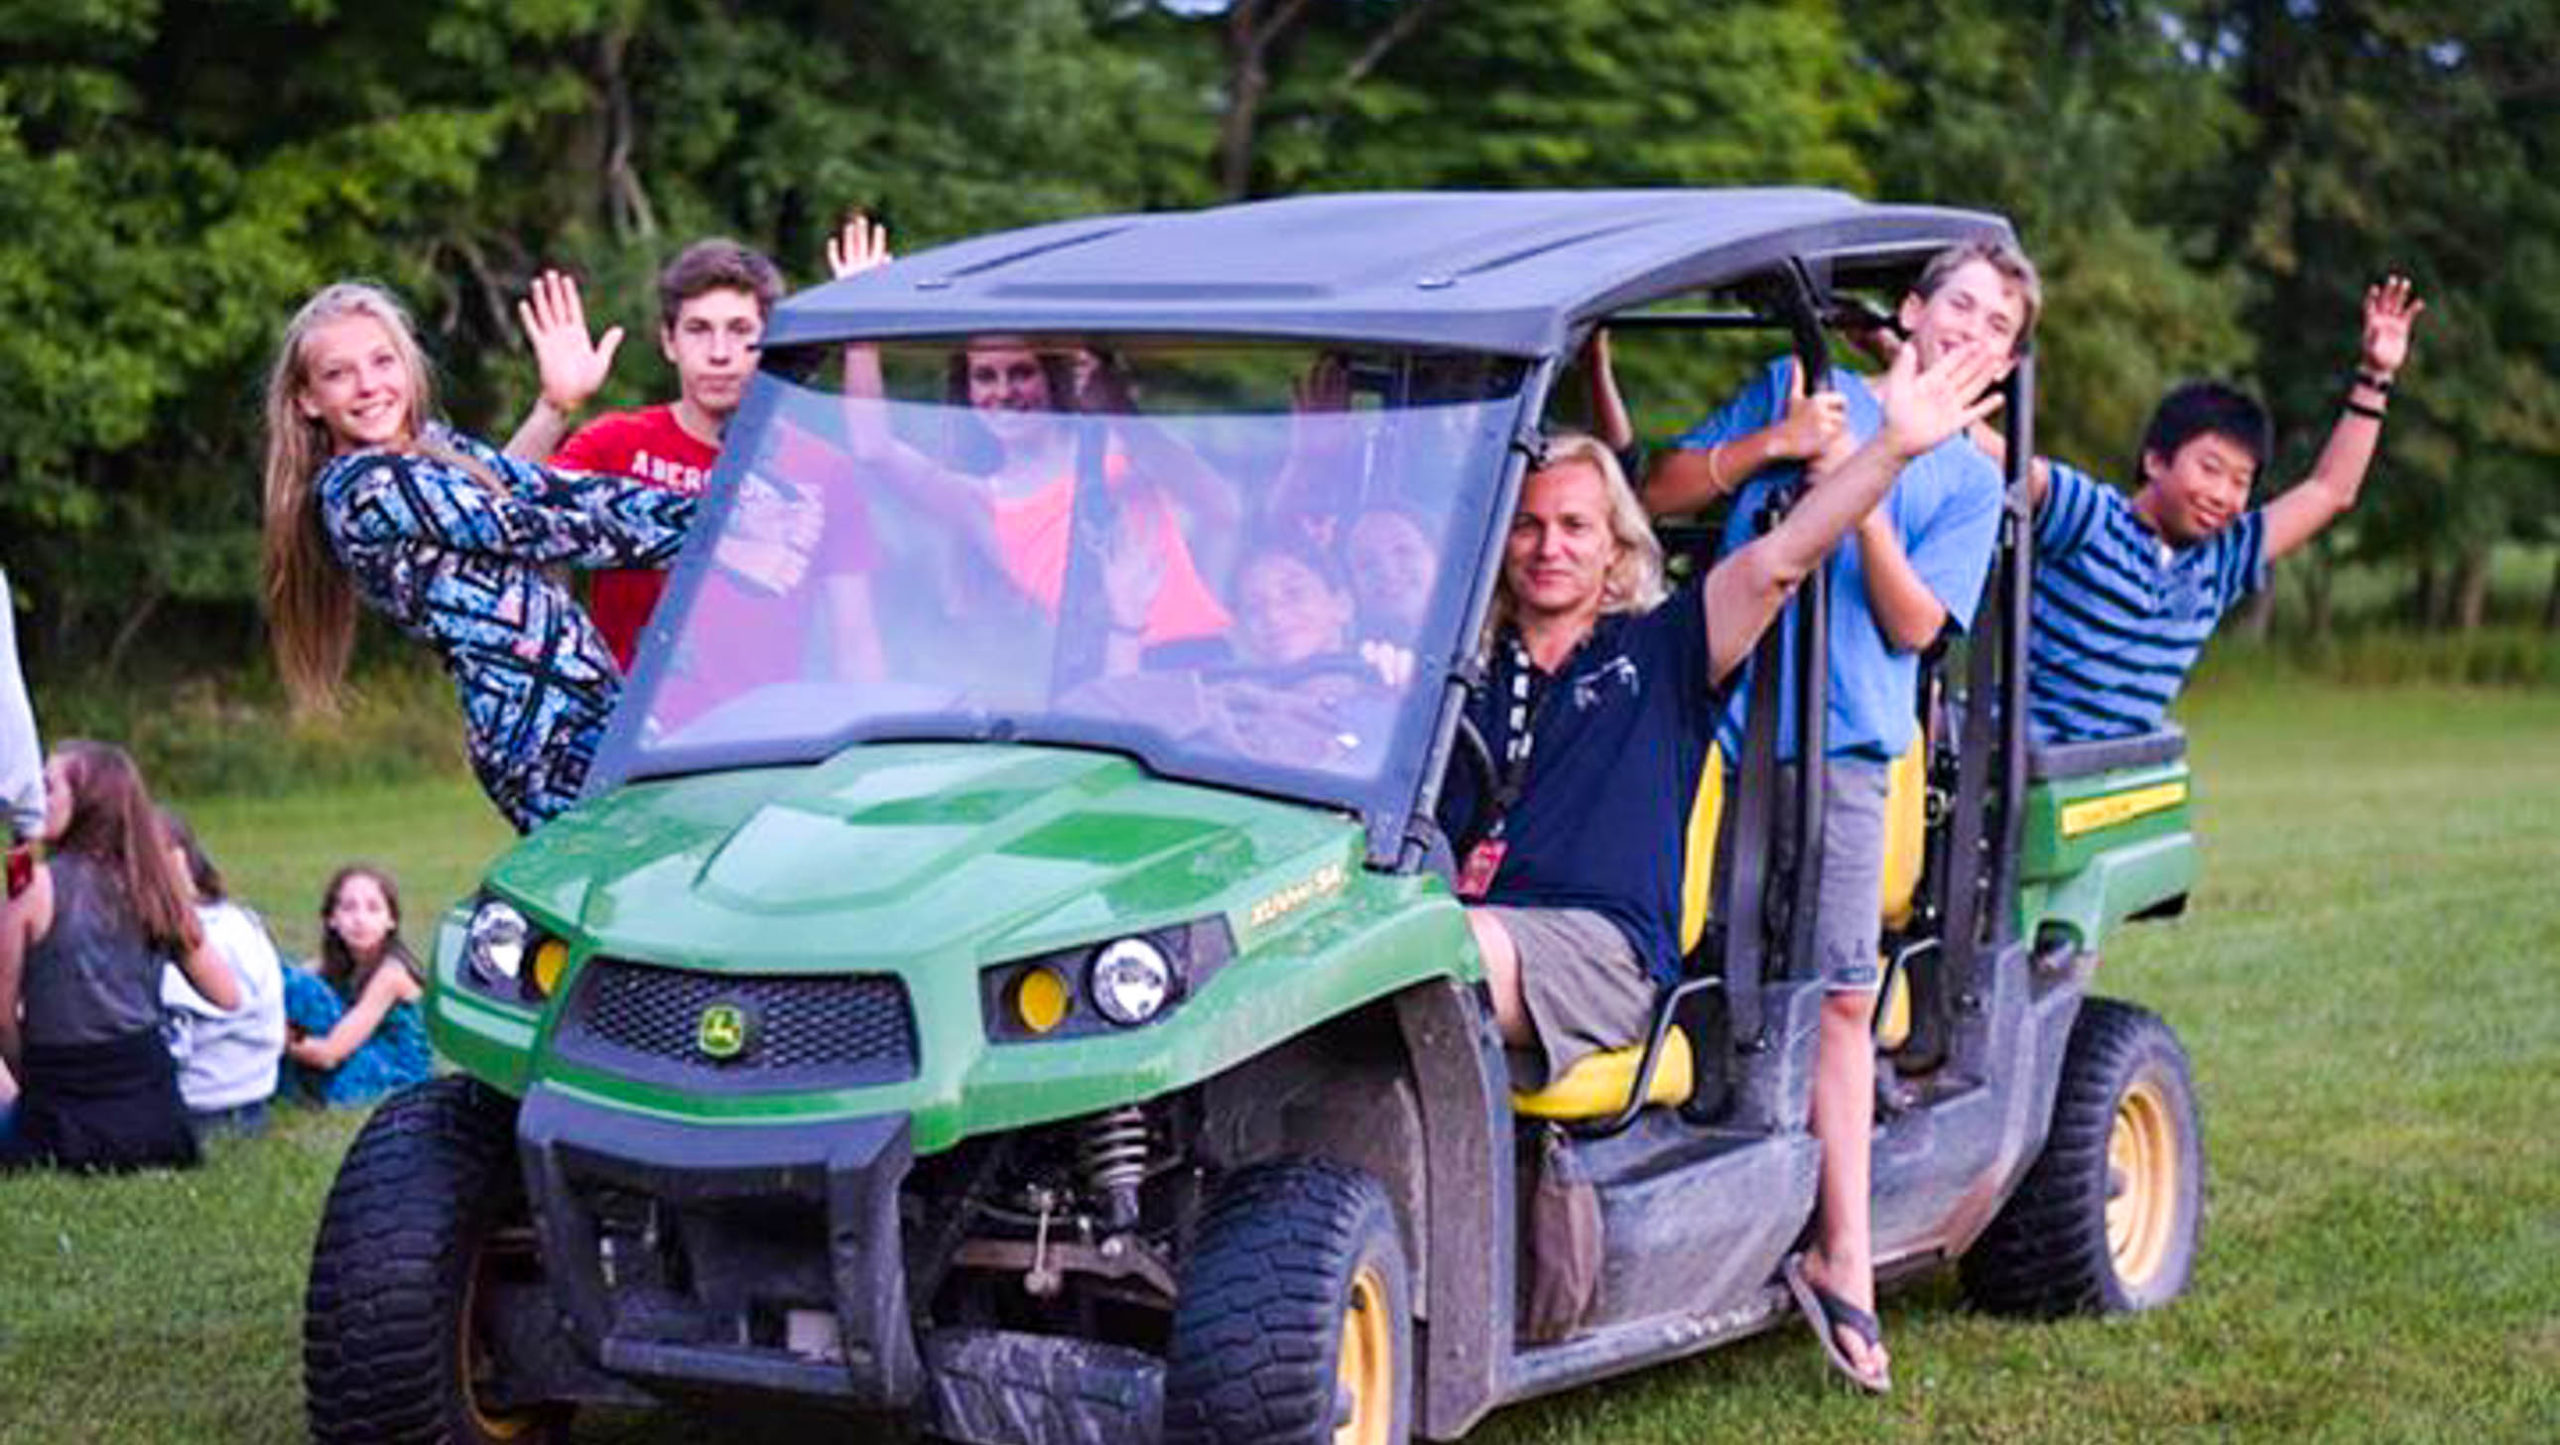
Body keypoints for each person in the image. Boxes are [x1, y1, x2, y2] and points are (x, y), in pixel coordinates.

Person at [1643, 239, 2041, 1394]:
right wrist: (1775, 447)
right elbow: (1662, 488)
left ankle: (1844, 1252)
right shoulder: (1800, 389)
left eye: (1994, 324)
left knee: (1838, 990)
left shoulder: (1968, 480)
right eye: (1955, 303)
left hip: (1845, 755)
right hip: (1711, 723)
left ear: (2004, 359)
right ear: (1912, 311)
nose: (1968, 328)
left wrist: (1865, 488)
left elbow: (1919, 626)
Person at [1437, 337, 2006, 1097]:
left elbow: (1782, 560)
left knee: (1427, 953)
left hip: (1595, 951)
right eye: (1528, 526)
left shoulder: (1661, 646)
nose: (1549, 548)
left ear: (1616, 545)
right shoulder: (1463, 671)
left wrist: (1891, 451)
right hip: (1460, 924)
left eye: (1576, 526)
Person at [259, 281, 813, 832]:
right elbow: (533, 529)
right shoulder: (365, 489)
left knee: (655, 877)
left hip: (594, 705)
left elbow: (555, 490)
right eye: (338, 373)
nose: (367, 385)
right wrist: (714, 544)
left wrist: (723, 508)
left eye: (382, 361)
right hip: (537, 733)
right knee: (645, 868)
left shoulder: (428, 447)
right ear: (308, 401)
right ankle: (498, 920)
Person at [2014, 275, 2425, 741]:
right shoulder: (2091, 519)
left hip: (2117, 787)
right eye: (2210, 469)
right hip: (2020, 780)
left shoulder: (2220, 560)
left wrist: (2376, 377)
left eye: (2240, 481)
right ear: (2155, 460)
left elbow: (2330, 491)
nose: (2223, 494)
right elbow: (2012, 466)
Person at [0, 741, 238, 1171]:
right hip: (152, 1116)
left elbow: (0, 1013)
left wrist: (26, 1072)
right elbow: (227, 995)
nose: (38, 794)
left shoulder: (33, 888)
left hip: (59, 1113)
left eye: (49, 786)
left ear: (88, 803)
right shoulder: (155, 888)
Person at [158, 810, 287, 1140]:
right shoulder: (237, 920)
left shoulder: (200, 942)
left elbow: (172, 1042)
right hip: (250, 1097)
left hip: (208, 1110)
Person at [280, 865, 431, 1108]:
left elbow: (329, 1054)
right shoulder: (330, 965)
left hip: (395, 1072)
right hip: (357, 1052)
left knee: (300, 990)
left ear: (390, 920)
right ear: (332, 919)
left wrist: (272, 1037)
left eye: (373, 908)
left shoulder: (391, 975)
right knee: (290, 983)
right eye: (348, 908)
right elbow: (287, 982)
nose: (360, 919)